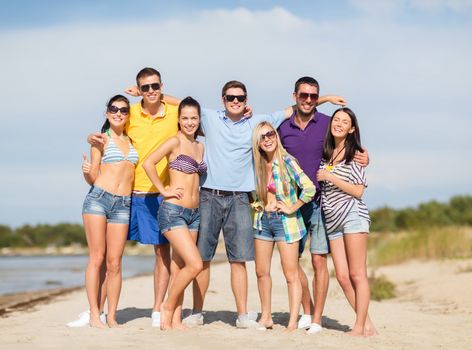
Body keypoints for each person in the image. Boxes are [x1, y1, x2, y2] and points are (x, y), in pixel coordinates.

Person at [87, 68, 178, 327]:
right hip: (130, 195)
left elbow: (186, 105)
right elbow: (106, 134)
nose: (150, 91)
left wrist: (156, 96)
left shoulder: (173, 112)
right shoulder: (131, 113)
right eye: (145, 87)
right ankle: (97, 311)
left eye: (154, 86)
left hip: (162, 193)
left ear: (161, 85)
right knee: (106, 257)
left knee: (162, 252)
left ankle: (158, 309)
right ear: (139, 89)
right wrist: (90, 139)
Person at [278, 76, 368, 334]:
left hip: (319, 203)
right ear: (294, 96)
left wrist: (364, 154)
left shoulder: (328, 124)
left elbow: (348, 141)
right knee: (292, 264)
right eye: (303, 95)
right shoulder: (282, 125)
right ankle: (307, 310)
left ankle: (316, 318)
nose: (308, 100)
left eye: (313, 96)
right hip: (291, 204)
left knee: (319, 262)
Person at [142, 97, 205, 330]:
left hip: (194, 214)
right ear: (178, 120)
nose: (190, 122)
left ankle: (174, 319)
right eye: (185, 118)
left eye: (194, 118)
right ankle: (167, 307)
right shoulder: (174, 142)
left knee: (181, 268)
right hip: (173, 212)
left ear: (199, 120)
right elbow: (149, 163)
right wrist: (163, 190)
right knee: (195, 264)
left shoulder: (200, 146)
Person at [316, 107, 376, 336]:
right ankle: (368, 324)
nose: (339, 124)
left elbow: (359, 191)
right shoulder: (326, 153)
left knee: (357, 274)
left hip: (352, 216)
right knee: (341, 276)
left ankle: (359, 327)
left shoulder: (357, 154)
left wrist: (330, 177)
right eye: (336, 119)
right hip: (331, 221)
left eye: (345, 121)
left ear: (352, 129)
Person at [251, 122, 315, 330]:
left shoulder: (287, 161)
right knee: (261, 272)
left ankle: (292, 322)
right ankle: (266, 317)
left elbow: (309, 188)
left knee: (291, 274)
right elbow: (252, 195)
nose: (267, 139)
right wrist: (258, 206)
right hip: (262, 222)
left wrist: (292, 207)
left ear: (276, 136)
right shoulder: (257, 165)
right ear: (257, 143)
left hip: (286, 223)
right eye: (262, 137)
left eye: (270, 134)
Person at [81, 95, 137, 327]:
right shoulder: (100, 140)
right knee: (97, 258)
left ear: (127, 115)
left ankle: (111, 316)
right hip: (98, 200)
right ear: (107, 113)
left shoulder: (133, 140)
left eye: (123, 110)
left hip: (123, 204)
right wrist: (86, 172)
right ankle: (95, 313)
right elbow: (93, 177)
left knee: (115, 263)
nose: (118, 113)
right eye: (114, 109)